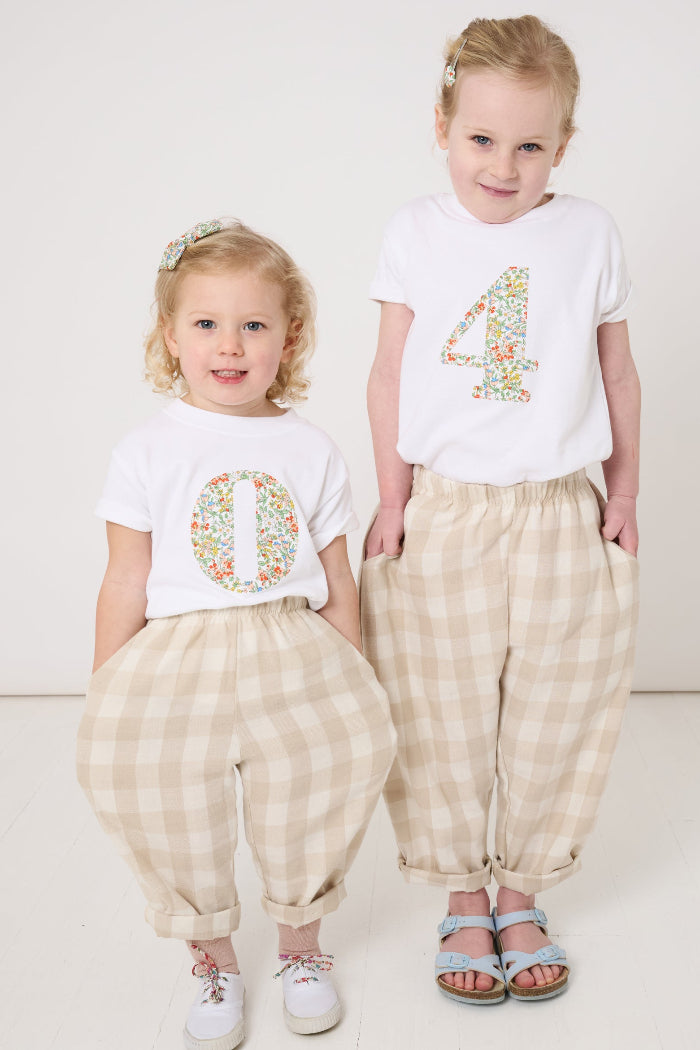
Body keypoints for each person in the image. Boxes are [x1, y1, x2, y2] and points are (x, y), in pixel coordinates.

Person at [361, 14, 639, 1005]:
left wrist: (624, 490)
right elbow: (389, 373)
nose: (503, 164)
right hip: (446, 511)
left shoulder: (587, 232)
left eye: (530, 145)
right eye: (482, 138)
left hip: (560, 508)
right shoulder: (414, 233)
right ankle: (459, 893)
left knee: (553, 707)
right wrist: (391, 497)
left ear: (561, 146)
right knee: (439, 706)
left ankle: (519, 892)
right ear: (442, 126)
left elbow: (616, 371)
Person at [77, 219, 395, 1049]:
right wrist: (109, 682)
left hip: (290, 645)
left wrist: (350, 667)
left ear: (288, 338)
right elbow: (126, 576)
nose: (231, 345)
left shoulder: (310, 448)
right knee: (174, 805)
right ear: (170, 337)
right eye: (207, 324)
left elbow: (336, 575)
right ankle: (212, 959)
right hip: (179, 651)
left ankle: (301, 949)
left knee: (310, 795)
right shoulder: (147, 450)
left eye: (254, 324)